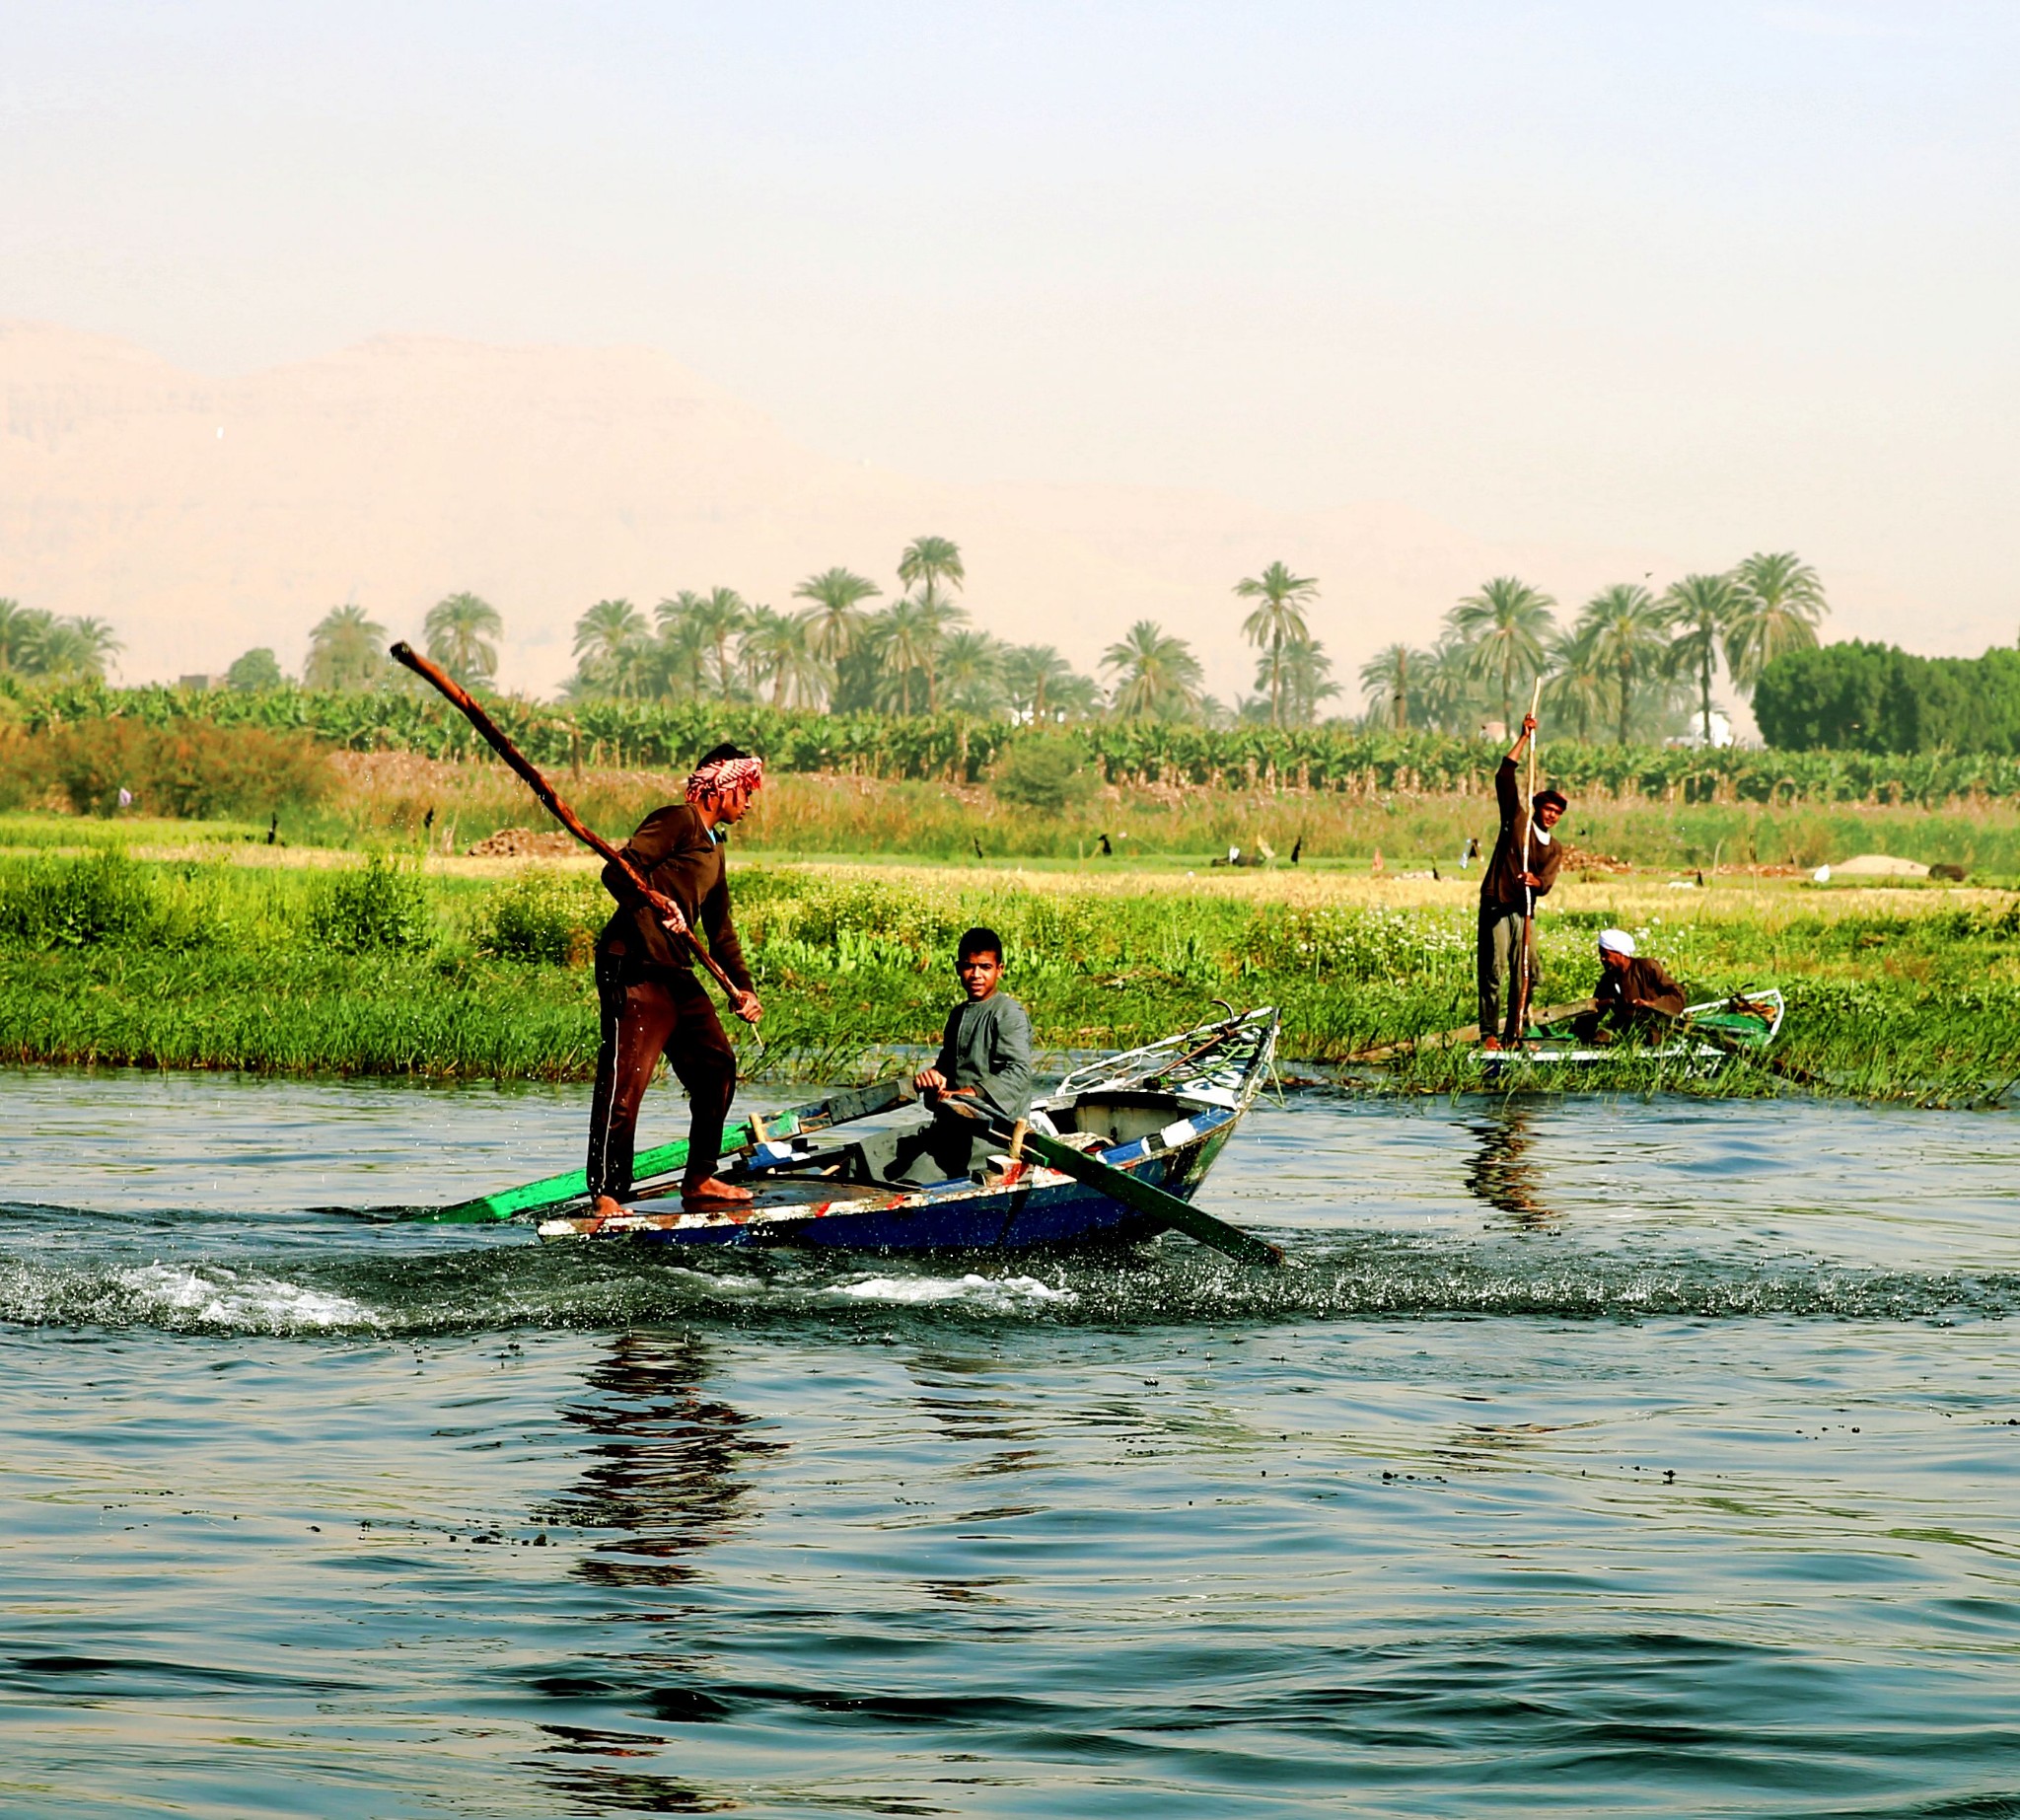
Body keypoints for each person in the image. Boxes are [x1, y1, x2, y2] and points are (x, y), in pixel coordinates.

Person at [587, 744, 764, 1216]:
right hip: (635, 966)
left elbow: (720, 929)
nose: (748, 802)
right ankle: (607, 1193)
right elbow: (618, 871)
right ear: (721, 787)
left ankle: (701, 1177)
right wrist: (651, 901)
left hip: (675, 970)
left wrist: (743, 988)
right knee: (627, 1082)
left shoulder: (714, 846)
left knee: (717, 1068)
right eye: (745, 791)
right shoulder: (677, 820)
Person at [890, 926, 1035, 1185]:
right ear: (958, 968)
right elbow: (945, 1081)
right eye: (969, 966)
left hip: (990, 1140)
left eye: (985, 967)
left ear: (999, 969)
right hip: (951, 1131)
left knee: (911, 1179)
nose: (976, 975)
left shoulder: (1007, 1013)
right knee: (869, 1156)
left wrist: (969, 1093)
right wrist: (933, 1082)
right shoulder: (958, 1015)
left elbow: (1018, 1074)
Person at [1478, 711, 1567, 1049]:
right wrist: (1524, 738)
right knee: (1494, 968)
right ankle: (1489, 1032)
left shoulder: (1554, 847)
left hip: (1525, 910)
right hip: (1499, 902)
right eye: (1547, 810)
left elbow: (1547, 880)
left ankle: (1515, 1033)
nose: (1551, 816)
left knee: (1525, 970)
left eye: (1557, 814)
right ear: (1537, 807)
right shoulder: (1517, 820)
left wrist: (1535, 882)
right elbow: (1504, 775)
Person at [1572, 928, 1687, 1042]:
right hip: (1624, 1027)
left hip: (1654, 1026)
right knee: (1600, 1037)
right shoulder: (1608, 979)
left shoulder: (1647, 967)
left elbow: (1677, 995)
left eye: (1606, 955)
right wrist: (1578, 1031)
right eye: (1601, 954)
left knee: (1648, 1037)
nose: (1602, 959)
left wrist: (1651, 1004)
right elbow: (1595, 1010)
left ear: (1621, 954)